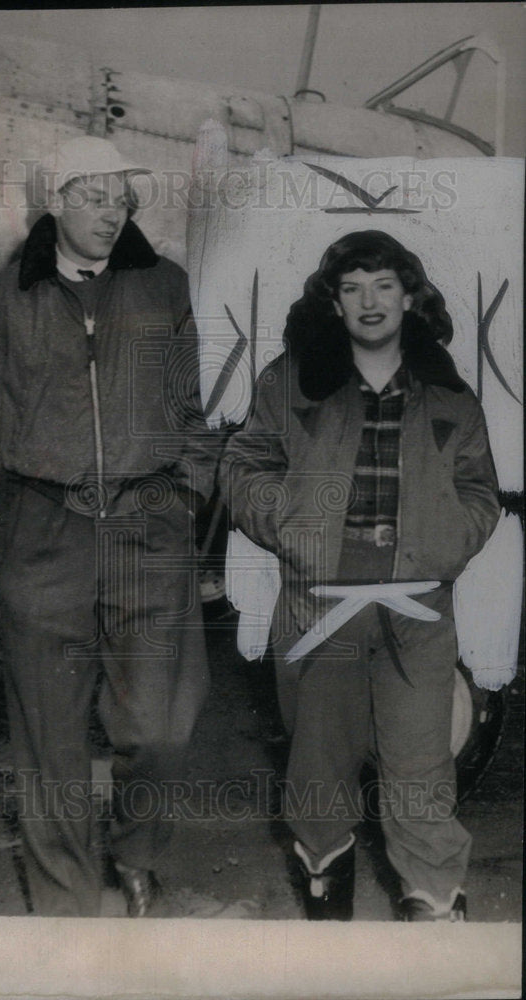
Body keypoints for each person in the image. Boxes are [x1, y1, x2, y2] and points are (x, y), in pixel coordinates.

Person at [0, 136, 219, 917]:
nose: (112, 212)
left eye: (122, 199)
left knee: (161, 729)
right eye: (94, 196)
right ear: (54, 200)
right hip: (43, 535)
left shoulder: (162, 286)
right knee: (49, 746)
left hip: (147, 531)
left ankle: (137, 853)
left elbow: (191, 414)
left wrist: (184, 500)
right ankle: (67, 918)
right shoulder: (2, 301)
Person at [220, 230, 500, 921]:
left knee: (420, 776)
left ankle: (435, 920)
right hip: (319, 605)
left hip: (416, 611)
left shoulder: (448, 395)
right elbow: (243, 465)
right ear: (333, 302)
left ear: (409, 296)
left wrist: (443, 543)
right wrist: (293, 527)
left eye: (382, 285)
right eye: (351, 288)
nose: (368, 301)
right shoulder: (290, 380)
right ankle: (328, 929)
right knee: (317, 778)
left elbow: (479, 492)